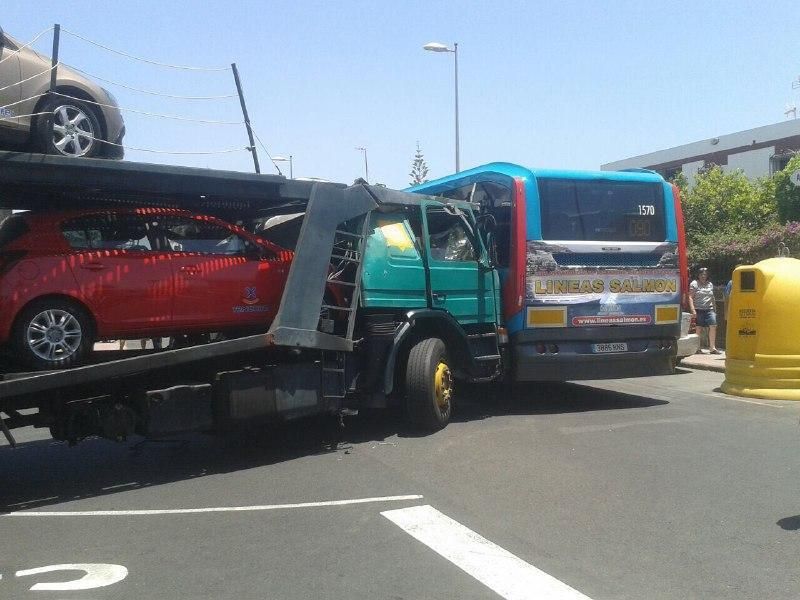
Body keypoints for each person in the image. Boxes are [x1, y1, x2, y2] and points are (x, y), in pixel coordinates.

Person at [690, 267, 720, 354]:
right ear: (698, 275)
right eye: (701, 274)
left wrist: (715, 309)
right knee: (698, 328)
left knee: (713, 325)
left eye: (705, 274)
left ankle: (712, 348)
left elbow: (712, 297)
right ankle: (697, 348)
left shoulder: (710, 284)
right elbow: (690, 297)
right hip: (698, 309)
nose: (703, 276)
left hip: (709, 309)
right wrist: (693, 310)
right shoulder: (694, 284)